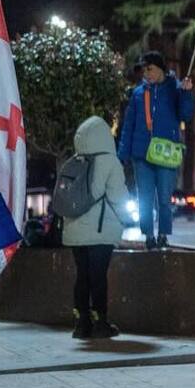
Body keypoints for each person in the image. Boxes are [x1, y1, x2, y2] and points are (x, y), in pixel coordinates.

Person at [116, 50, 195, 250]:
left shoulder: (176, 89)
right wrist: (122, 154)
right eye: (144, 71)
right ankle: (149, 236)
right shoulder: (137, 94)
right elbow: (128, 125)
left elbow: (186, 115)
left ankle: (163, 235)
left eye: (150, 69)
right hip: (141, 155)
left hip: (166, 155)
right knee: (144, 199)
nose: (146, 74)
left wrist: (186, 93)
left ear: (161, 69)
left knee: (164, 200)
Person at [63, 116, 129, 339]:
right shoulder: (110, 162)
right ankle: (101, 322)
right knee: (98, 276)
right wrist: (128, 219)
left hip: (74, 230)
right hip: (101, 230)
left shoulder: (73, 160)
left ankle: (81, 323)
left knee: (82, 275)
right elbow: (119, 197)